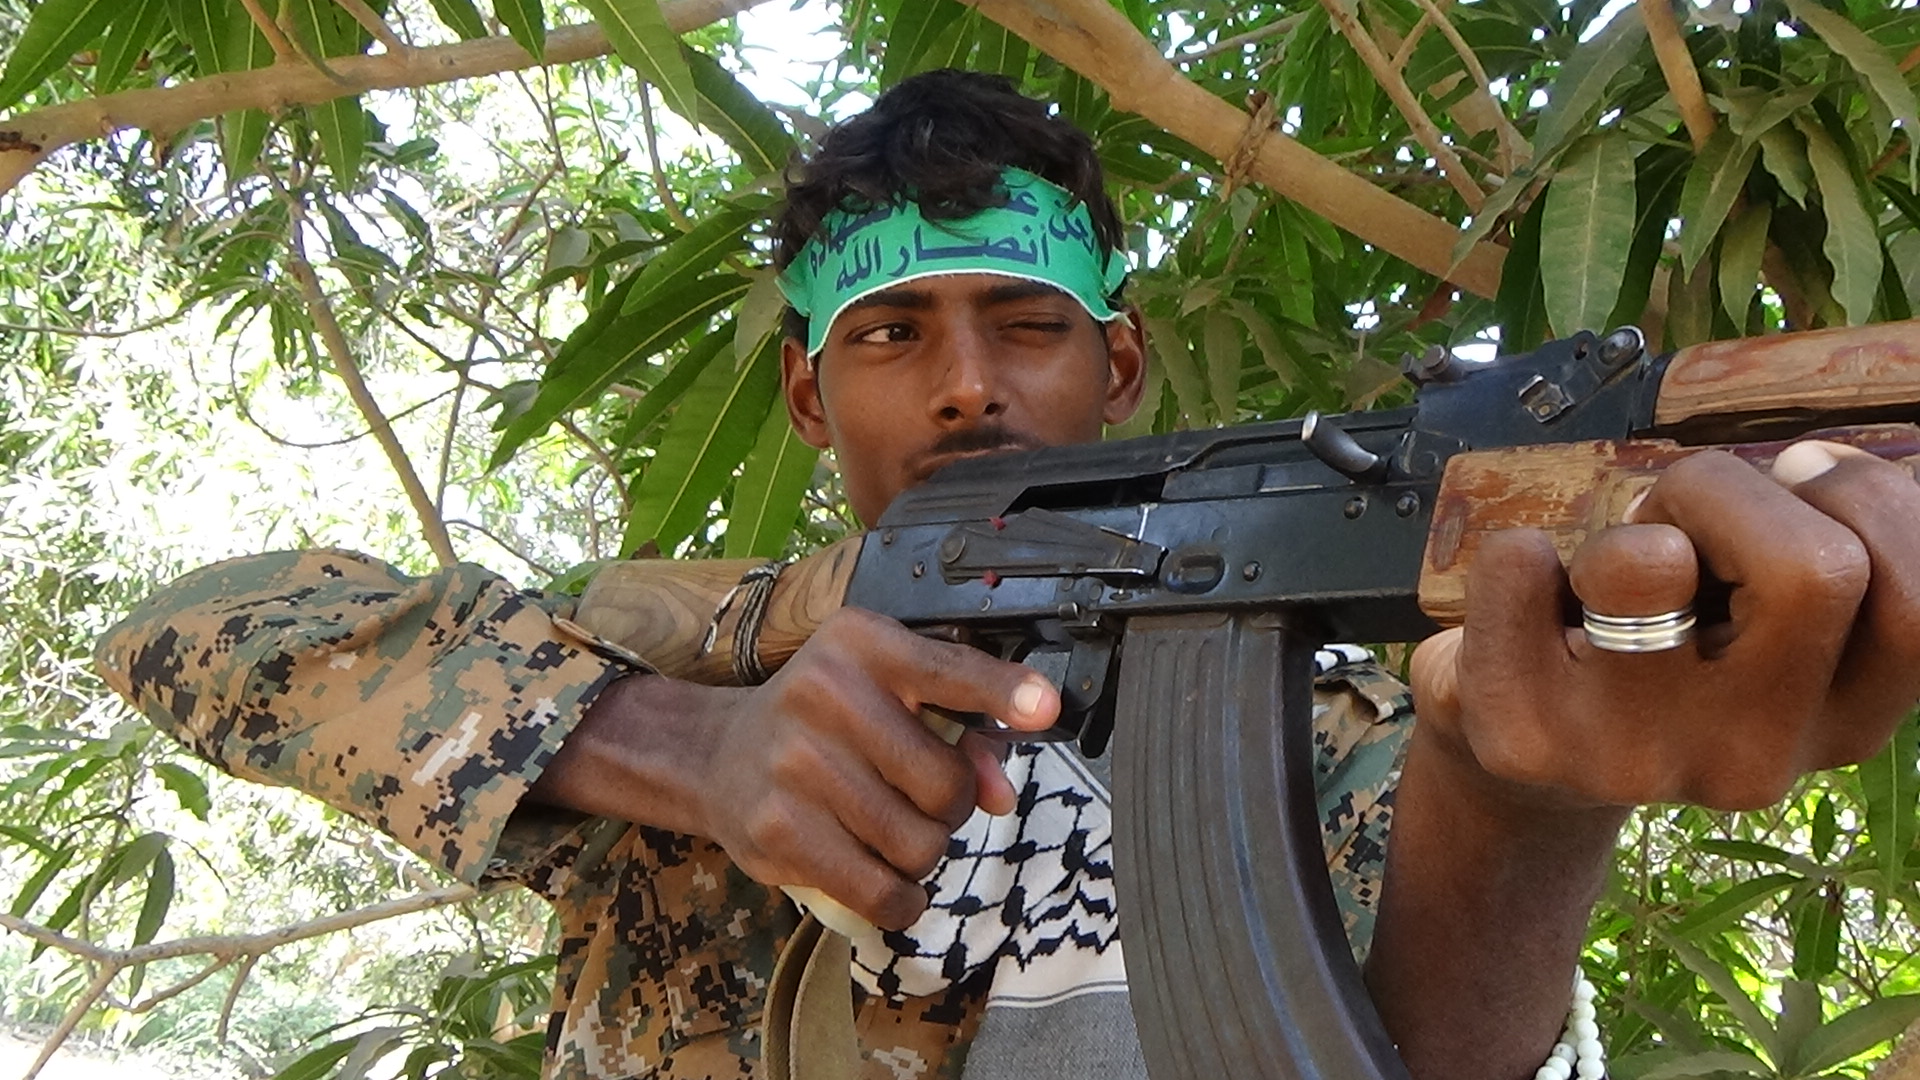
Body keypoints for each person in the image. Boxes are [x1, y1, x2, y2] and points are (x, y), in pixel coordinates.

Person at [95, 69, 1920, 1080]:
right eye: (893, 333)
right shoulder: (696, 655)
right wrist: (693, 747)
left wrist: (1519, 800)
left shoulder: (1344, 729)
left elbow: (1409, 1052)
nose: (966, 381)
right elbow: (194, 633)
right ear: (808, 393)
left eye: (1025, 323)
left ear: (1118, 367)